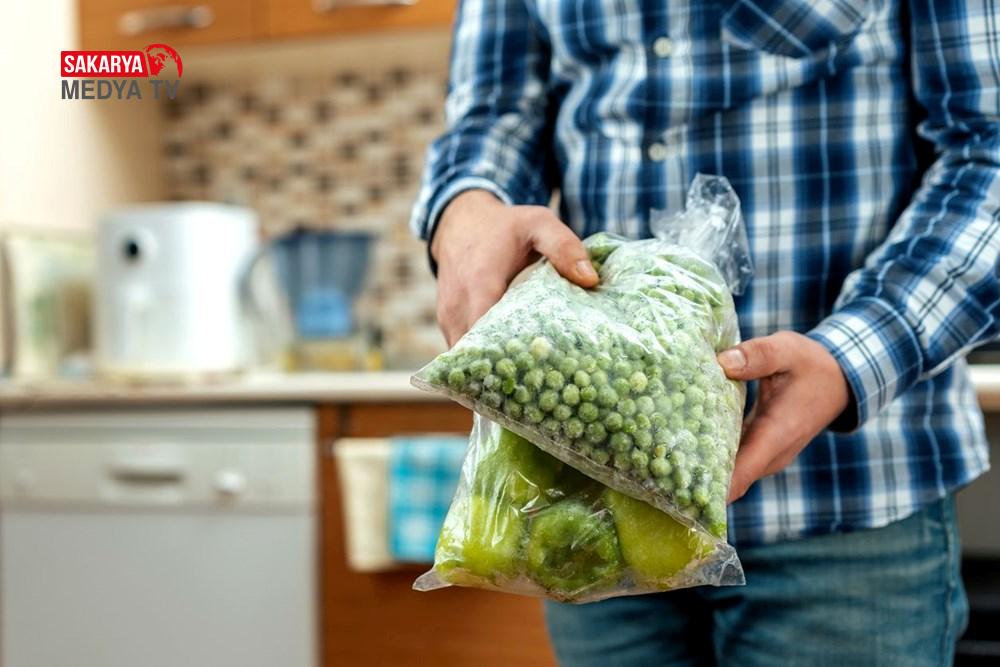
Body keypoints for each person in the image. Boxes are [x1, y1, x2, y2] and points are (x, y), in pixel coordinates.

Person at [410, 1, 999, 664]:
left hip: (848, 489)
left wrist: (854, 355)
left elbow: (990, 146)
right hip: (579, 499)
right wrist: (466, 208)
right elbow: (491, 117)